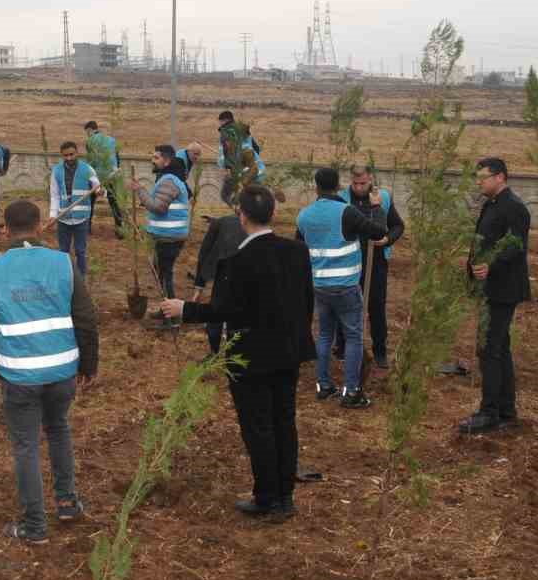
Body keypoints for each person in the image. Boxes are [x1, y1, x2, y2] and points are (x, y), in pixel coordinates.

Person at [0, 200, 99, 544]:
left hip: (20, 378)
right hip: (61, 372)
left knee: (26, 446)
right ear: (41, 227)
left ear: (6, 231)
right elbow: (86, 317)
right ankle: (67, 501)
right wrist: (89, 364)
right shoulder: (64, 263)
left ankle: (34, 525)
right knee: (58, 429)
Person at [160, 184, 313, 519]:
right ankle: (285, 496)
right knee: (284, 421)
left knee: (258, 426)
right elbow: (305, 302)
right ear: (273, 212)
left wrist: (184, 308)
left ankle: (267, 497)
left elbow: (223, 310)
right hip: (288, 352)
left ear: (241, 216)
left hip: (251, 359)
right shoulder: (298, 252)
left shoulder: (237, 261)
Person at [296, 168, 386, 408]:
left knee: (325, 334)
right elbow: (378, 231)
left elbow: (298, 248)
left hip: (320, 287)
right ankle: (351, 391)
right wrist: (377, 207)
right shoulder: (347, 212)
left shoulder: (304, 216)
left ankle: (324, 385)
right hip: (346, 287)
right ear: (338, 187)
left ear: (316, 187)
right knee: (354, 336)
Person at [461, 157, 532, 434]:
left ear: (500, 177)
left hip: (504, 288)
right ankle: (505, 409)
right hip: (489, 286)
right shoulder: (492, 205)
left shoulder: (514, 208)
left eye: (483, 177)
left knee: (489, 348)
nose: (479, 182)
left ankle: (489, 412)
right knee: (499, 347)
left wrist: (491, 265)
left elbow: (516, 246)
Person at [331, 165, 405, 369]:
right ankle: (342, 346)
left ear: (370, 178)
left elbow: (398, 226)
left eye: (363, 183)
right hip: (347, 260)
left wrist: (387, 239)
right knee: (345, 303)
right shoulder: (342, 199)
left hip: (377, 260)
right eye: (354, 183)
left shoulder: (383, 198)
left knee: (376, 306)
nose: (358, 187)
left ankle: (380, 351)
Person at [130, 145, 191, 301]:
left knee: (164, 277)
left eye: (156, 158)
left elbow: (158, 207)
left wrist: (140, 190)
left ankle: (171, 317)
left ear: (167, 161)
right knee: (162, 275)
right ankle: (167, 312)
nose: (153, 161)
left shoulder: (169, 180)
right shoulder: (168, 179)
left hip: (169, 237)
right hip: (168, 236)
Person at [192, 194, 246, 356]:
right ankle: (232, 354)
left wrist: (199, 286)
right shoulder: (259, 230)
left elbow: (204, 254)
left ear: (237, 208)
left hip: (221, 277)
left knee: (216, 315)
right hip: (243, 279)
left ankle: (214, 352)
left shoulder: (220, 223)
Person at [44, 141, 103, 275]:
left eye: (71, 154)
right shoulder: (56, 171)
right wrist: (53, 215)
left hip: (81, 219)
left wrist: (99, 191)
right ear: (62, 155)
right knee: (63, 251)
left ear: (77, 153)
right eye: (66, 155)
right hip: (63, 218)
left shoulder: (87, 169)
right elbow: (55, 195)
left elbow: (97, 187)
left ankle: (81, 278)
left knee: (80, 251)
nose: (69, 158)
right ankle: (64, 276)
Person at [83, 120, 126, 237]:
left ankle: (87, 229)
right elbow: (117, 158)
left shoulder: (90, 141)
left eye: (87, 132)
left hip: (97, 175)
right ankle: (120, 230)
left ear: (89, 130)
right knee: (114, 203)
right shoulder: (112, 140)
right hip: (112, 174)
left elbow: (91, 160)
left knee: (90, 201)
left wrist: (90, 177)